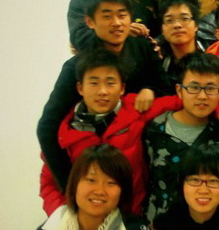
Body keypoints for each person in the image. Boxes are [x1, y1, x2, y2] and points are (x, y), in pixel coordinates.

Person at [38, 0, 170, 195]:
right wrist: (69, 185)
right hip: (94, 159)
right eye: (107, 16)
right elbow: (47, 126)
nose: (116, 23)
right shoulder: (76, 67)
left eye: (122, 15)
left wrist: (150, 89)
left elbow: (166, 87)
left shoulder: (142, 47)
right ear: (90, 22)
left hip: (140, 158)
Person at [39, 48, 182, 217]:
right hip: (86, 220)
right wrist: (68, 218)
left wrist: (152, 89)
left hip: (131, 218)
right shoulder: (65, 132)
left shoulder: (135, 110)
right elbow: (49, 185)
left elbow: (183, 100)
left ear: (122, 88)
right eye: (94, 83)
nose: (103, 91)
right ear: (80, 88)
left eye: (110, 83)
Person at [144, 52, 219, 221]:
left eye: (211, 88)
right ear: (179, 90)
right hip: (160, 225)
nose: (202, 96)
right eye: (194, 87)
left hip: (210, 226)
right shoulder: (155, 129)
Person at [154, 0, 206, 82]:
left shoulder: (211, 53)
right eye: (169, 20)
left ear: (196, 25)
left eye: (184, 18)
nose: (177, 25)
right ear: (162, 29)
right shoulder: (156, 59)